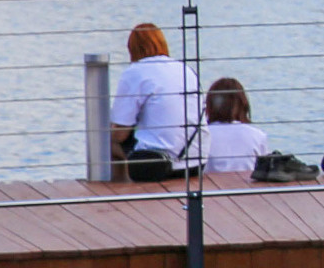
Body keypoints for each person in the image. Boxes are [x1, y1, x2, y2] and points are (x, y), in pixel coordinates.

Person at [110, 22, 198, 181]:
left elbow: (120, 134)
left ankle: (118, 189)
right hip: (195, 162)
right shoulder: (186, 69)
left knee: (107, 141)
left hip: (156, 164)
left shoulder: (135, 72)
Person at [198, 77, 274, 177]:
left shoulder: (201, 136)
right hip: (247, 189)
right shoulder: (258, 136)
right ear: (243, 105)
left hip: (211, 189)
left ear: (209, 106)